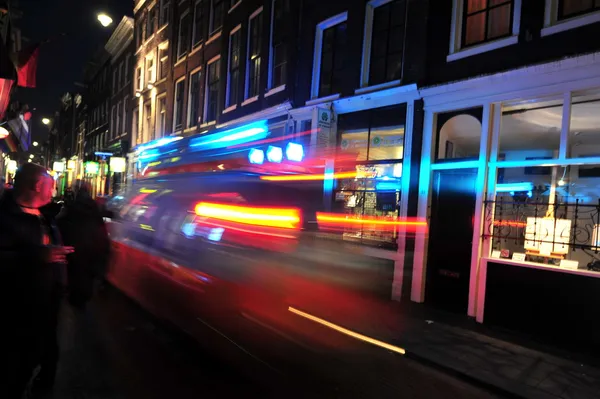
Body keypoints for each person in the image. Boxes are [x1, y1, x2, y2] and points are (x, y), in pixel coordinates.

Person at [0, 163, 74, 398]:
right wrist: (35, 256)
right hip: (16, 307)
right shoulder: (5, 218)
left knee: (44, 349)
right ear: (36, 185)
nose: (53, 192)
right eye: (50, 186)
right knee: (16, 365)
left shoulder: (46, 215)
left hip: (47, 301)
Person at [57, 180, 110, 310]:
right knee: (87, 273)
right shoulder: (94, 207)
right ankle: (83, 298)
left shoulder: (72, 206)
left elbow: (62, 222)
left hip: (75, 243)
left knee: (76, 272)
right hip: (91, 243)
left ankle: (75, 298)